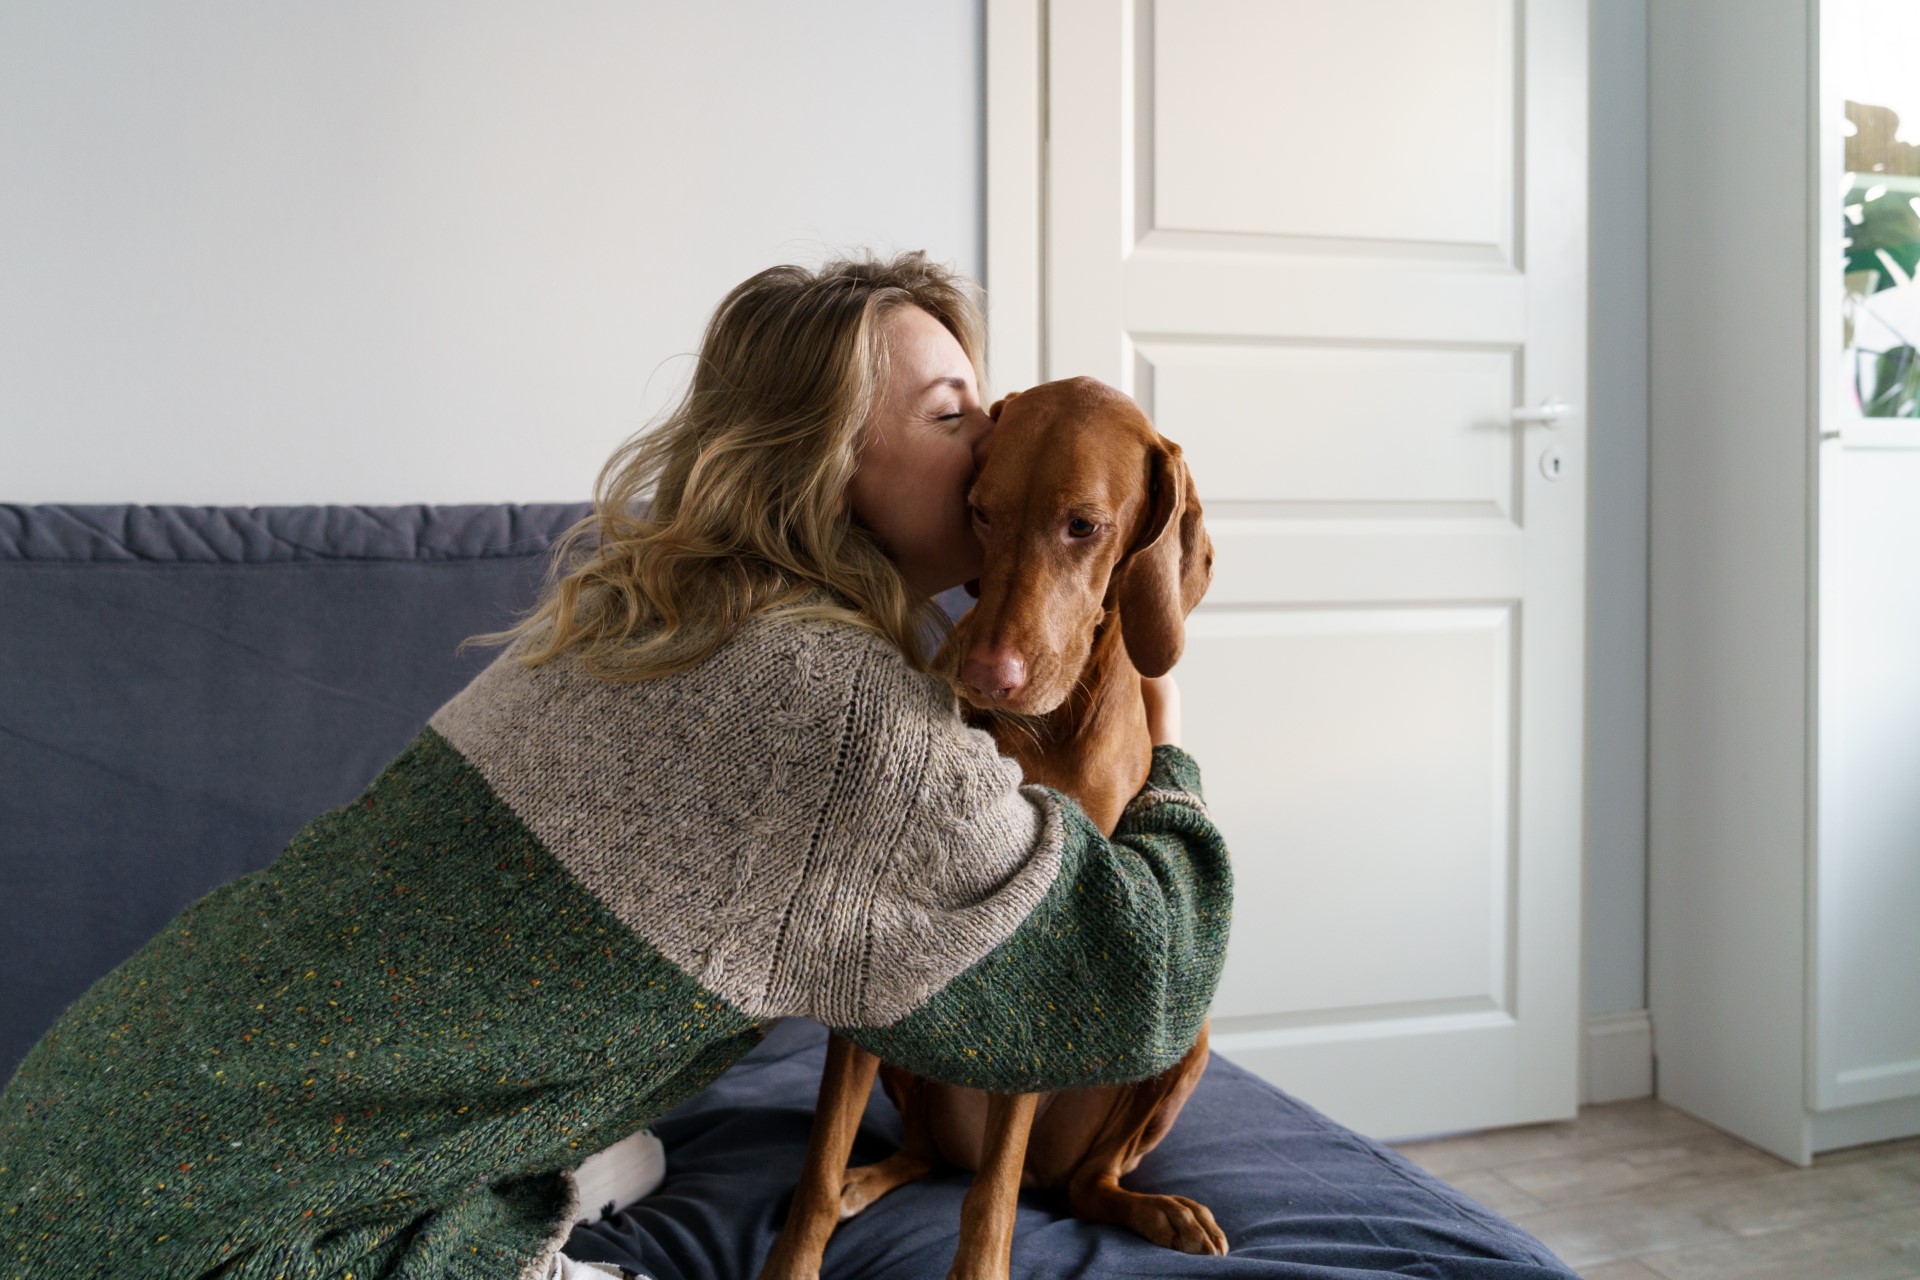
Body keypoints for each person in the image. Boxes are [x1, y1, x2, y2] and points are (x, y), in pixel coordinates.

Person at [0, 252, 1231, 1280]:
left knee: (606, 1150)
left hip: (91, 1107)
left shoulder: (645, 609)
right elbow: (1137, 988)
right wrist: (1163, 738)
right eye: (956, 414)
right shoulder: (838, 721)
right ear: (823, 458)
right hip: (192, 1232)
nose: (994, 445)